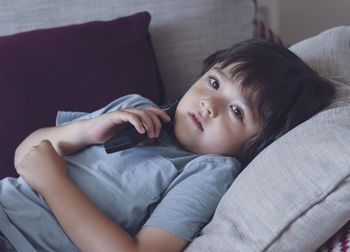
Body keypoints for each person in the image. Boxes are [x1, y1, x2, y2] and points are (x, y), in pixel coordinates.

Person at [0, 39, 334, 252]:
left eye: (236, 111)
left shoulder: (208, 171)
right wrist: (88, 130)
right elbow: (26, 157)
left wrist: (53, 183)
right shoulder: (135, 109)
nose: (209, 105)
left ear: (258, 143)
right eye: (214, 83)